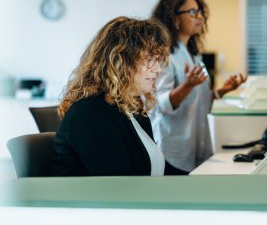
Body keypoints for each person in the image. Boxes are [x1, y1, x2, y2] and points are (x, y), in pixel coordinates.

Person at [53, 17, 181, 176]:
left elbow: (156, 166)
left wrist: (196, 178)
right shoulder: (92, 113)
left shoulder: (132, 107)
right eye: (149, 59)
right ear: (120, 61)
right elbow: (119, 187)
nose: (157, 69)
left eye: (157, 60)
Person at [150, 0, 247, 173]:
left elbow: (198, 102)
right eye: (193, 12)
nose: (200, 17)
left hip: (195, 146)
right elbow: (162, 104)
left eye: (200, 12)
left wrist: (222, 91)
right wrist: (187, 85)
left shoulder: (193, 55)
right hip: (173, 151)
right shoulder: (165, 55)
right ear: (174, 18)